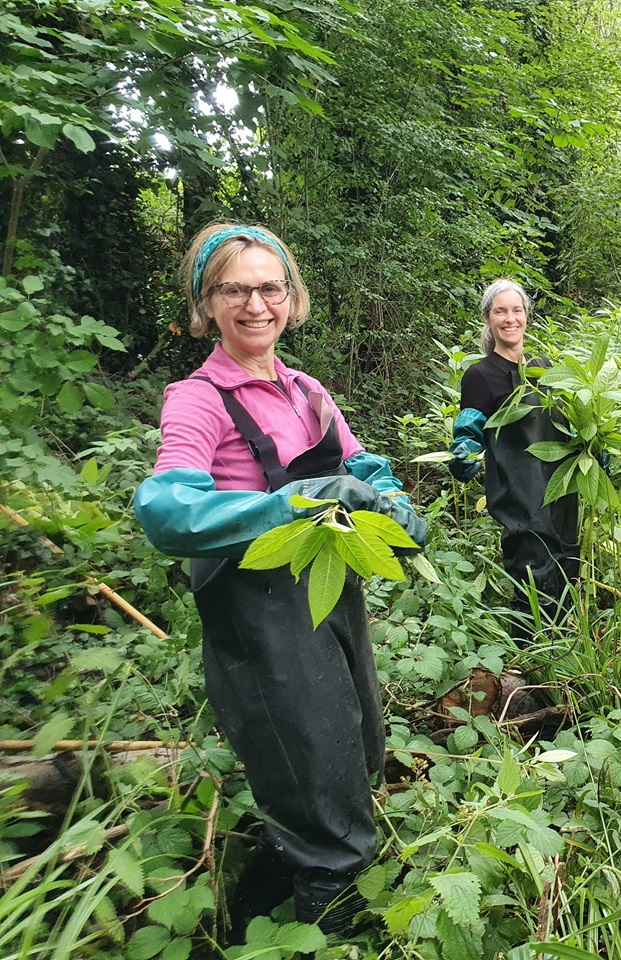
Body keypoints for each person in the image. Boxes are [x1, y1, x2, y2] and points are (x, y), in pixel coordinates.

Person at [133, 223, 426, 940]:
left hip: (328, 598)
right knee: (322, 791)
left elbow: (362, 466)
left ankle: (243, 933)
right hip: (260, 621)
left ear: (292, 299)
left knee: (349, 761)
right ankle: (333, 935)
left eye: (269, 287)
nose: (254, 304)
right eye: (234, 289)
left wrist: (393, 501)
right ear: (208, 305)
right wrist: (292, 505)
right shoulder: (199, 398)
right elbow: (167, 507)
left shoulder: (305, 389)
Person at [448, 279, 579, 641]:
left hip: (561, 490)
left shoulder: (543, 368)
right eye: (500, 311)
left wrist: (592, 443)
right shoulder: (479, 375)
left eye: (516, 310)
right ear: (488, 319)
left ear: (527, 317)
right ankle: (531, 664)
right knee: (534, 580)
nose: (510, 319)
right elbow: (470, 427)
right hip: (519, 497)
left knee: (568, 572)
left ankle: (566, 660)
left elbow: (568, 420)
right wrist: (463, 449)